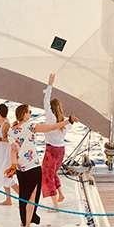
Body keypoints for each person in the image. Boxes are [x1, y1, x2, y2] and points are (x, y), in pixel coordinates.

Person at [7, 103, 69, 227]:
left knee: (23, 196)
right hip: (33, 167)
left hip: (20, 168)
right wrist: (68, 121)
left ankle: (24, 221)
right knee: (32, 197)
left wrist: (13, 166)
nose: (30, 114)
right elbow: (52, 127)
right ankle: (27, 226)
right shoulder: (30, 126)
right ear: (24, 114)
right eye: (29, 112)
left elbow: (13, 150)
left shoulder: (11, 131)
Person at [41, 73, 76, 209]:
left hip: (51, 150)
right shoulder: (64, 122)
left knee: (47, 175)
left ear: (52, 108)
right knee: (53, 173)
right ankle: (60, 194)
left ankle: (55, 205)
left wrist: (50, 84)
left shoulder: (51, 118)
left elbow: (45, 100)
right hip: (61, 150)